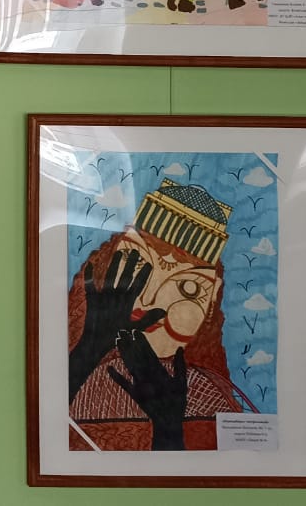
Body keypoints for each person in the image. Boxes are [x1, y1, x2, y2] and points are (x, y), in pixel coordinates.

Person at [68, 179, 252, 450]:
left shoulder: (209, 396)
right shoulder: (79, 381)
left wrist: (168, 424)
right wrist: (89, 348)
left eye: (188, 288)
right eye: (136, 265)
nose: (150, 303)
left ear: (212, 300)